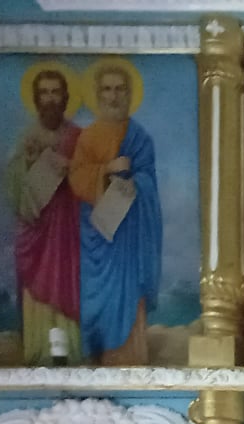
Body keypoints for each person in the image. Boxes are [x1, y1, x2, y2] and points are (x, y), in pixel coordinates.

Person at [69, 61, 161, 364]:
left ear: (129, 94)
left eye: (120, 89)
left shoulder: (139, 138)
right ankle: (95, 357)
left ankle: (129, 360)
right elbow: (77, 178)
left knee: (128, 296)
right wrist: (108, 169)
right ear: (97, 94)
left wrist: (134, 182)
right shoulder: (89, 136)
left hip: (128, 237)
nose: (113, 96)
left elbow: (149, 183)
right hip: (97, 232)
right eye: (106, 89)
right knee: (95, 299)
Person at [6, 66, 82, 365]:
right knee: (36, 292)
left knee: (68, 285)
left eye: (55, 92)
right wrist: (28, 163)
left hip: (68, 231)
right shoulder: (26, 139)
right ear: (36, 99)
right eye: (44, 93)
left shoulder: (78, 137)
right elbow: (13, 188)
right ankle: (39, 352)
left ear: (65, 97)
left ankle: (73, 354)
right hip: (37, 231)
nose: (50, 99)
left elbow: (94, 184)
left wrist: (72, 168)